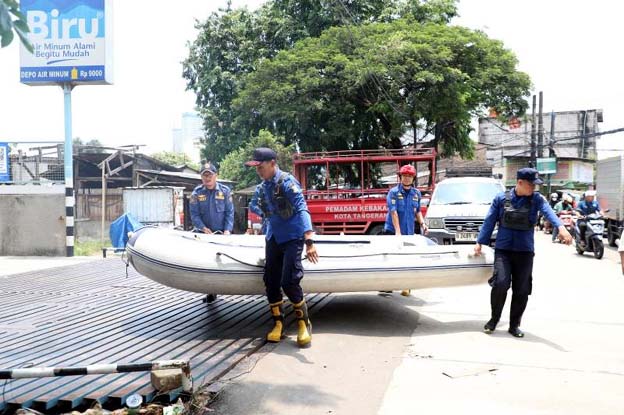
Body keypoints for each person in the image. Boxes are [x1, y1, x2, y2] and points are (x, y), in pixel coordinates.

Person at [474, 167, 573, 338]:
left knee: (522, 289)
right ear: (519, 183)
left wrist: (561, 228)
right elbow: (489, 220)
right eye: (531, 185)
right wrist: (480, 243)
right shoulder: (501, 199)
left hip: (525, 251)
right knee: (500, 284)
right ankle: (494, 319)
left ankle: (514, 325)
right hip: (503, 250)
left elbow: (549, 213)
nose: (534, 188)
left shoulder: (536, 199)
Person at [247, 147, 318, 347]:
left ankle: (304, 323)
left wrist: (309, 241)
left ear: (272, 163)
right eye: (256, 168)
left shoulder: (287, 182)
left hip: (293, 237)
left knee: (289, 281)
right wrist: (267, 212)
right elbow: (253, 205)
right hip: (273, 237)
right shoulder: (262, 187)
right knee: (271, 281)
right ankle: (278, 324)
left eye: (260, 167)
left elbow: (302, 207)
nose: (258, 171)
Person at [382, 164, 429, 296]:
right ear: (400, 177)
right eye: (405, 176)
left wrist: (423, 224)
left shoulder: (416, 193)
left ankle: (406, 285)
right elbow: (393, 212)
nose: (407, 178)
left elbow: (418, 211)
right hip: (393, 231)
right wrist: (397, 232)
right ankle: (387, 285)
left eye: (410, 176)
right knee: (391, 259)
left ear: (413, 178)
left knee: (408, 258)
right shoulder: (394, 192)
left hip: (408, 232)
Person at [190, 162, 235, 235]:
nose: (207, 178)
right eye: (204, 175)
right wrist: (203, 228)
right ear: (201, 177)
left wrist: (227, 229)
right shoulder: (196, 193)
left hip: (221, 233)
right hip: (202, 233)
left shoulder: (225, 191)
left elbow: (229, 212)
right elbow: (194, 215)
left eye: (210, 175)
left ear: (216, 176)